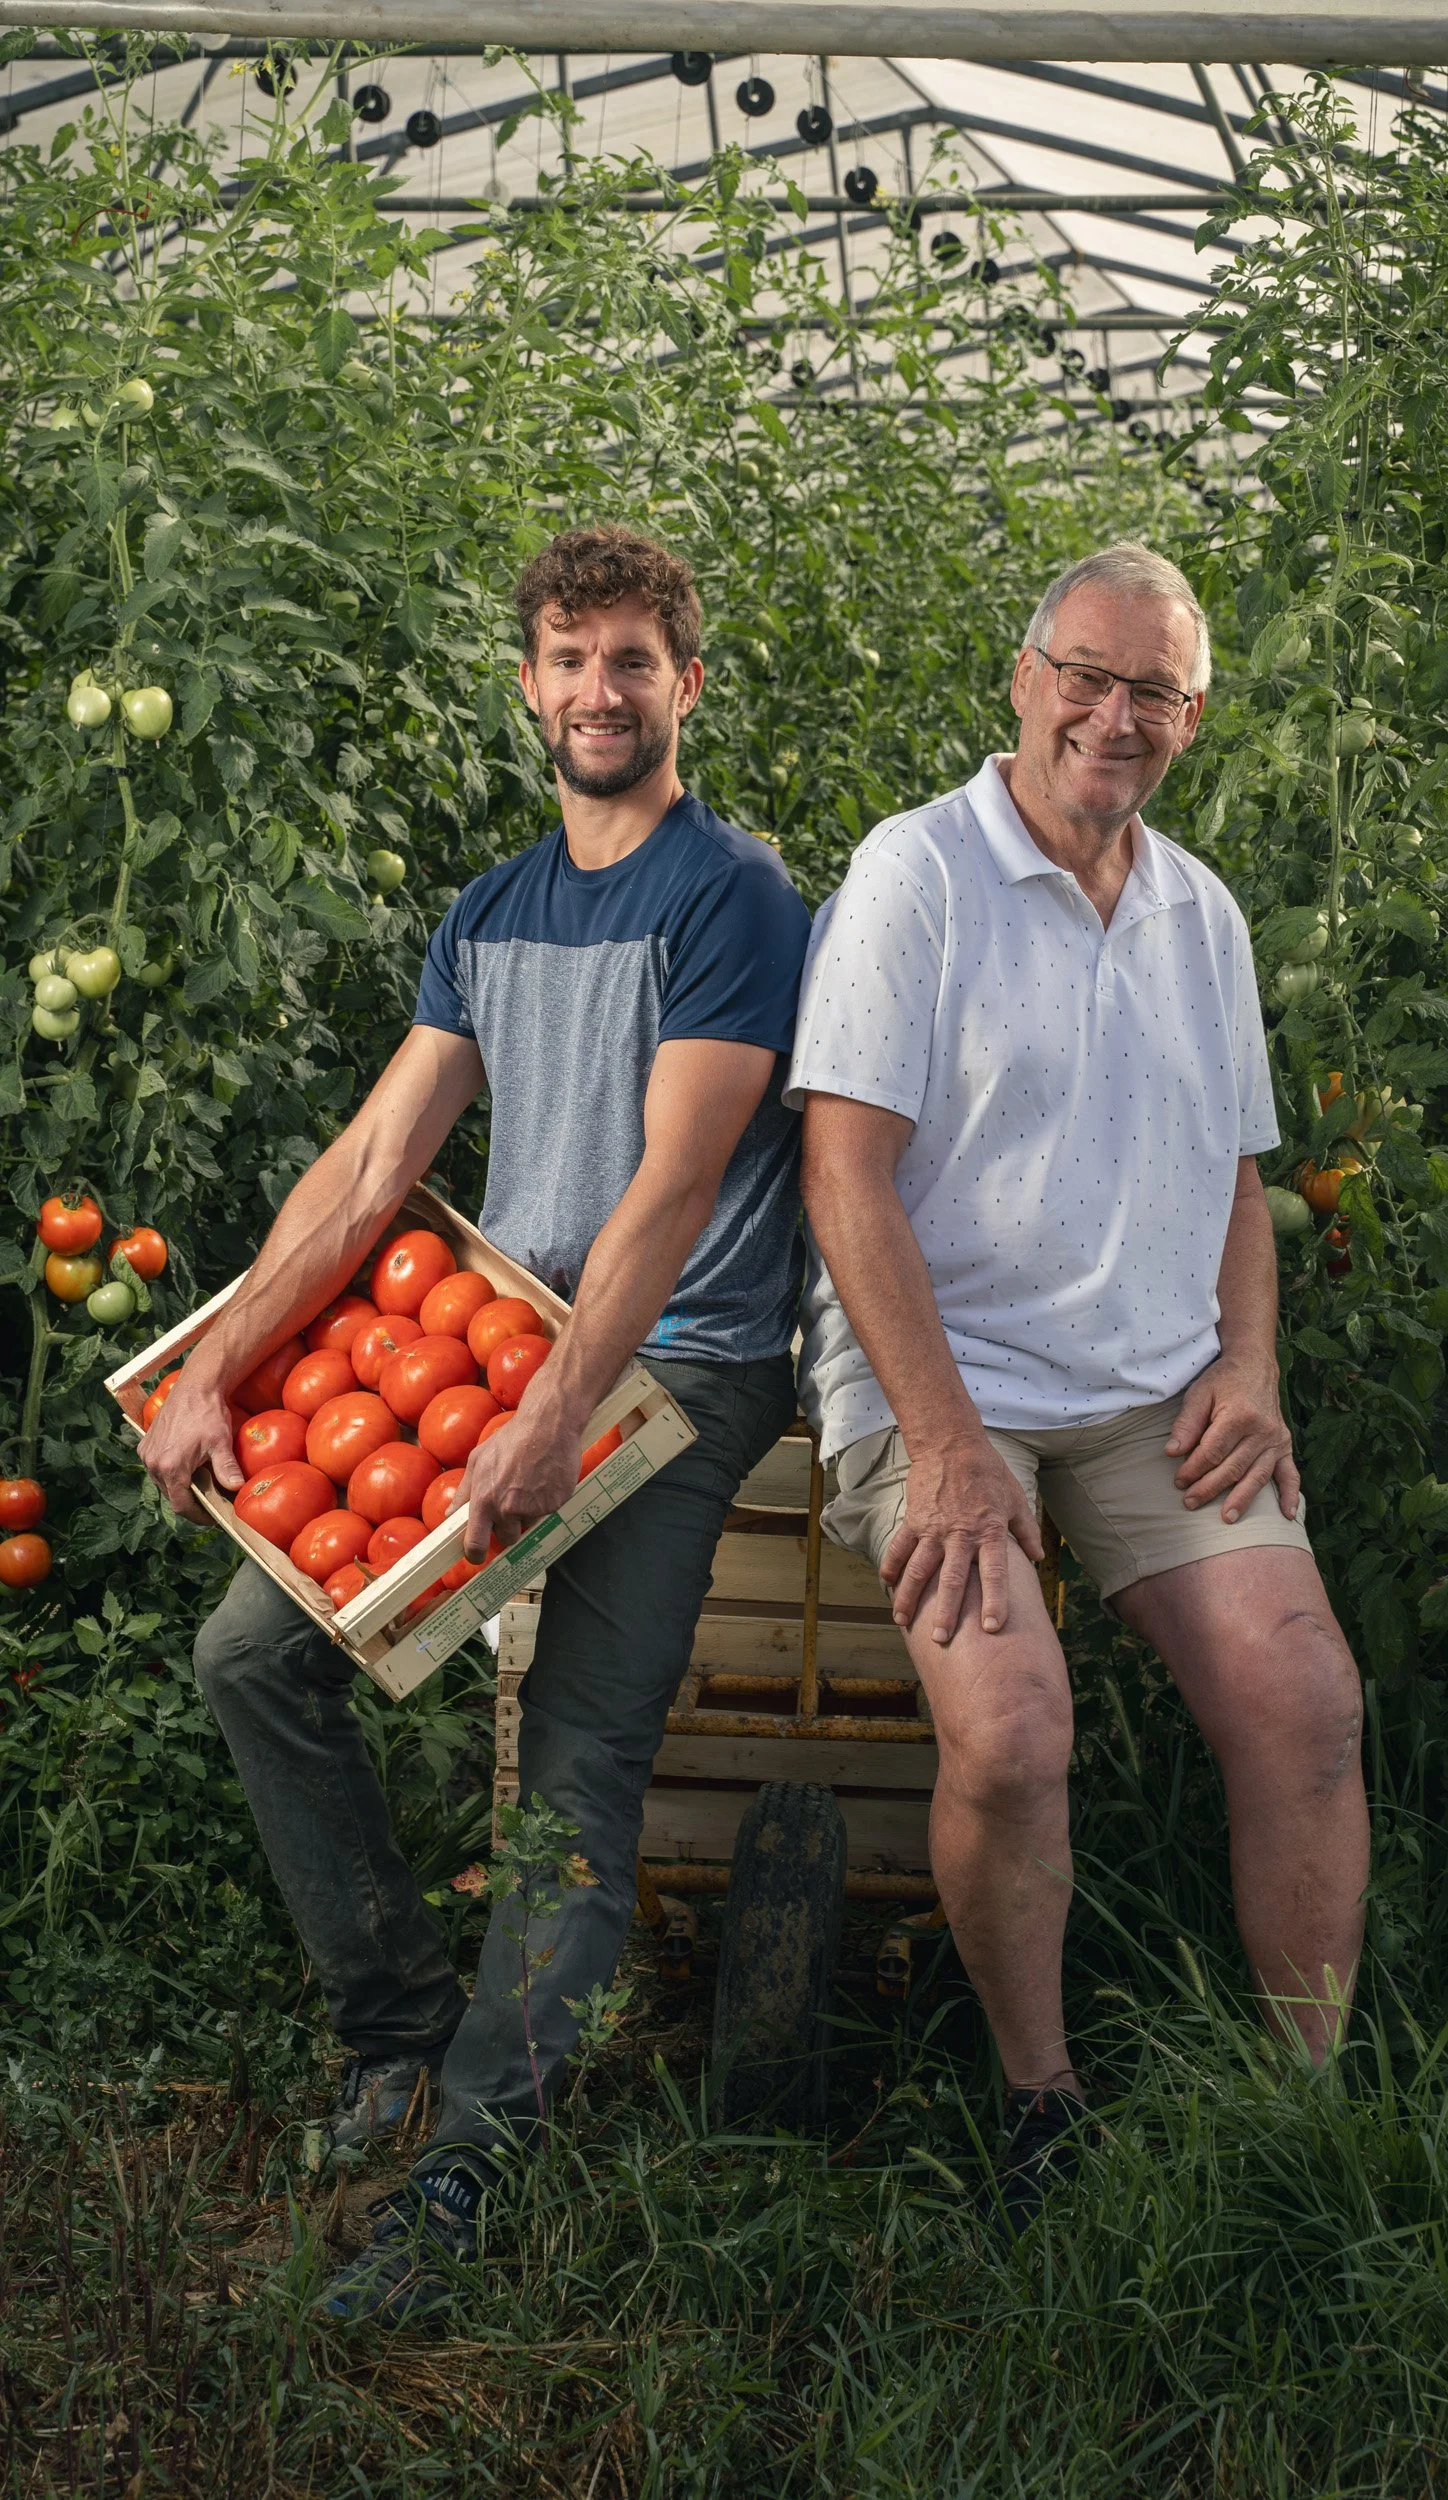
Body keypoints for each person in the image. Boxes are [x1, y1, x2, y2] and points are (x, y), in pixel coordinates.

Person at [143, 525, 809, 2319]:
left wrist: (558, 1418)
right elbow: (374, 1165)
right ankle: (400, 2024)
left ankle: (469, 2163)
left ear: (688, 680)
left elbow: (672, 1195)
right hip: (518, 1337)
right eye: (569, 658)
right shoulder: (492, 908)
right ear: (527, 683)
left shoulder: (731, 897)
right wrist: (217, 1363)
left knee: (579, 1761)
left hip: (678, 1362)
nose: (601, 690)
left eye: (634, 659)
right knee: (250, 1658)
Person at [787, 542, 1368, 2220]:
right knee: (1016, 1733)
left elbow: (1238, 1182)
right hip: (939, 1374)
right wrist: (947, 1446)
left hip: (1146, 1383)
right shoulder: (919, 874)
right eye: (1085, 677)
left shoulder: (1201, 914)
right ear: (1023, 677)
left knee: (1306, 1705)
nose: (1112, 719)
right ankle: (1040, 2099)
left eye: (1154, 694)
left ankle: (1299, 2108)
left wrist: (1248, 1366)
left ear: (1195, 717)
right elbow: (844, 1178)